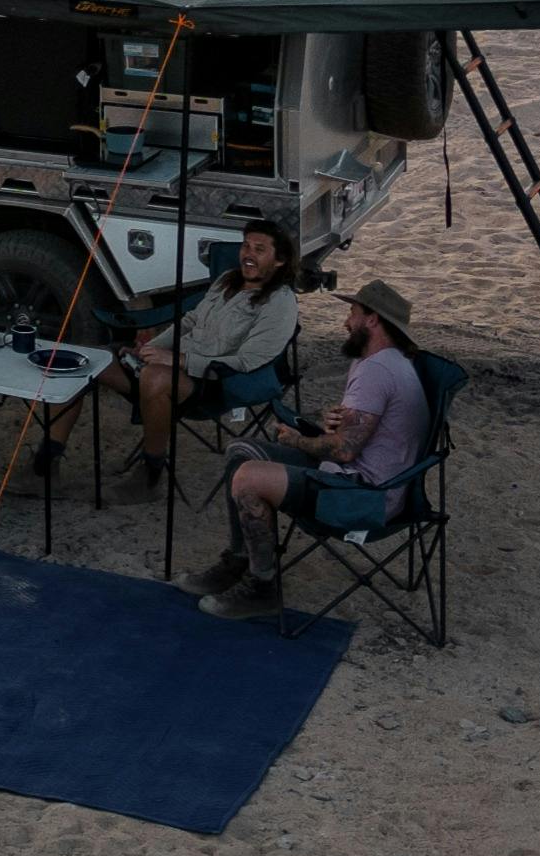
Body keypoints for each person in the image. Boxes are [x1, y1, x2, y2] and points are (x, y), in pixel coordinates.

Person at [194, 276, 432, 621]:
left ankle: (262, 588)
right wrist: (330, 423)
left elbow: (344, 451)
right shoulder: (381, 362)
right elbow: (359, 434)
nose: (345, 322)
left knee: (248, 478)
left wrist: (297, 440)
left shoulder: (378, 370)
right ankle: (240, 561)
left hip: (363, 496)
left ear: (372, 319)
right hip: (359, 479)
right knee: (242, 450)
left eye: (352, 312)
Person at [122, 221, 299, 477]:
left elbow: (248, 361)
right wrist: (148, 349)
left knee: (156, 377)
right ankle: (50, 461)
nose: (248, 254)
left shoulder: (279, 301)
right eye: (246, 246)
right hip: (175, 364)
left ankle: (150, 471)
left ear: (279, 260)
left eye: (259, 249)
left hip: (216, 383)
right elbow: (190, 321)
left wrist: (179, 360)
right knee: (94, 362)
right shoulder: (228, 279)